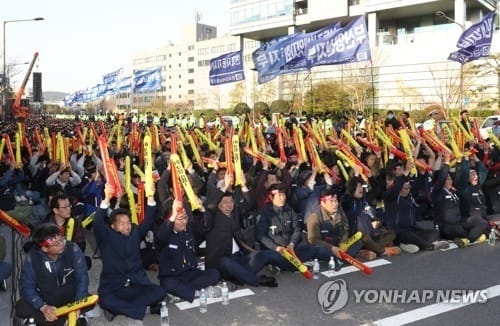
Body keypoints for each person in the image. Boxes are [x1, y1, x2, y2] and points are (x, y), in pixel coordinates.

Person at [94, 183, 166, 321]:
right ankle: (145, 309)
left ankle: (120, 309)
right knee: (105, 300)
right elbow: (97, 223)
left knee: (160, 291)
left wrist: (150, 197)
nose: (127, 226)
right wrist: (106, 199)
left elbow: (148, 220)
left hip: (136, 284)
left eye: (128, 222)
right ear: (113, 226)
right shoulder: (106, 237)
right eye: (122, 223)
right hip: (114, 287)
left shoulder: (135, 233)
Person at [15, 223, 90, 326]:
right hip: (46, 299)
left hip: (70, 299)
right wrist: (43, 307)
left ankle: (47, 321)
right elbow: (26, 286)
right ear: (45, 248)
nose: (62, 244)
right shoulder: (32, 258)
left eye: (61, 239)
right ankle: (66, 320)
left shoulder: (73, 249)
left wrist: (78, 304)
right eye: (57, 244)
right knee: (21, 307)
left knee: (90, 299)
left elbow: (82, 277)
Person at [256, 183, 332, 271]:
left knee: (313, 249)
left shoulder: (289, 210)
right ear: (271, 197)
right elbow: (260, 236)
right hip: (275, 250)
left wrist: (292, 244)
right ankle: (288, 265)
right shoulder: (264, 213)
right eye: (279, 195)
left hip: (291, 248)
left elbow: (297, 229)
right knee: (269, 256)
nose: (282, 198)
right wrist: (276, 248)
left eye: (283, 194)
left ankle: (334, 257)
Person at [156, 199, 220, 302]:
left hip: (191, 274)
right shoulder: (163, 234)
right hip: (173, 276)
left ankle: (183, 292)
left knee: (214, 273)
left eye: (185, 217)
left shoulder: (189, 228)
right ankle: (197, 293)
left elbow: (207, 225)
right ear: (170, 219)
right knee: (168, 284)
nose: (184, 222)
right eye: (180, 218)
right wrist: (173, 215)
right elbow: (161, 236)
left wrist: (202, 208)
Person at [307, 188, 362, 263]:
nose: (335, 204)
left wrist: (343, 244)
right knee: (320, 251)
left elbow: (345, 230)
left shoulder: (341, 213)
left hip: (338, 244)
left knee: (358, 243)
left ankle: (342, 256)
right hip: (325, 246)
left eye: (336, 201)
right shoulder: (314, 217)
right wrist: (332, 248)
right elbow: (313, 240)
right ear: (323, 203)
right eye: (331, 201)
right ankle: (341, 257)